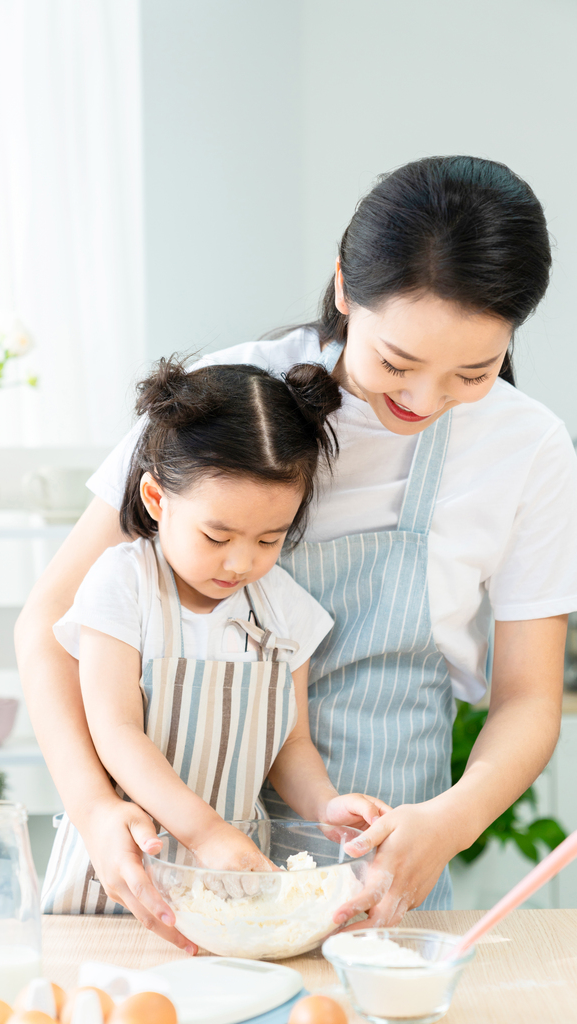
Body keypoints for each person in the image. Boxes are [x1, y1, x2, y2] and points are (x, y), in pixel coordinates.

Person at [16, 155, 577, 949]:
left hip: (365, 869)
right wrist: (92, 805)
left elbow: (529, 700)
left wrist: (449, 822)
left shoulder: (524, 448)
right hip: (170, 854)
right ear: (342, 287)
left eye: (472, 372)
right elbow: (52, 620)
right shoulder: (227, 399)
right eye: (395, 363)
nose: (421, 403)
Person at [40, 358, 388, 916]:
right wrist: (205, 834)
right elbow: (115, 729)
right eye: (216, 535)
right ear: (158, 501)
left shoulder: (287, 611)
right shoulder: (123, 584)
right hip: (120, 877)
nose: (242, 562)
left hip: (232, 888)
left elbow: (290, 747)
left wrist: (326, 804)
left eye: (270, 539)